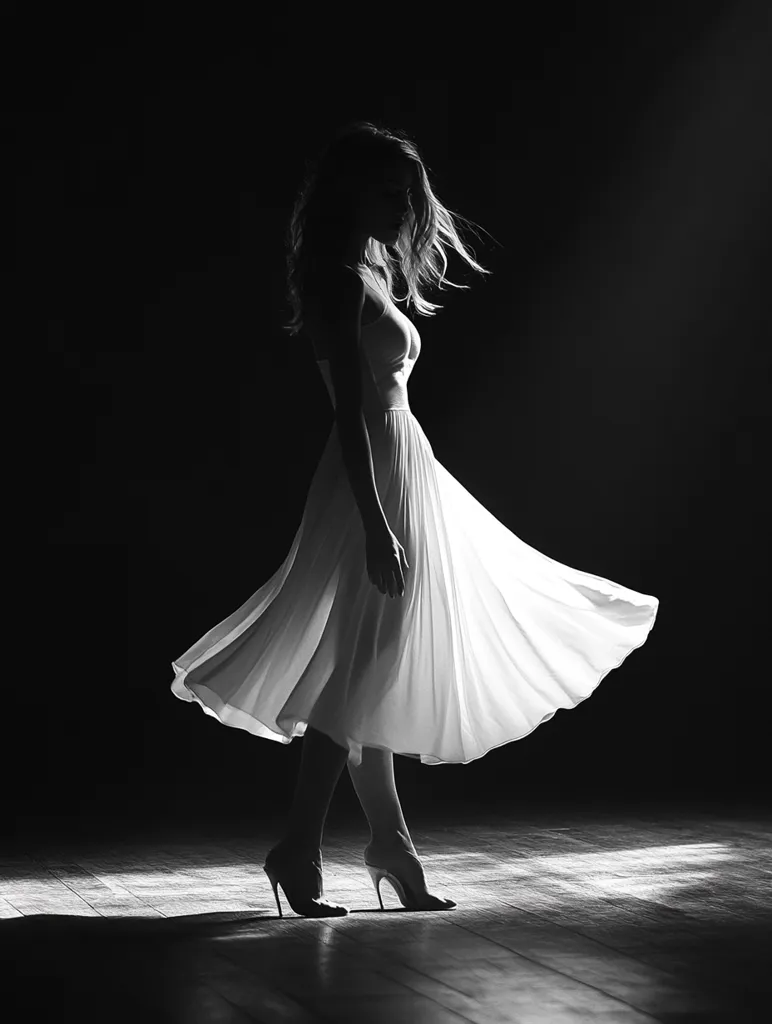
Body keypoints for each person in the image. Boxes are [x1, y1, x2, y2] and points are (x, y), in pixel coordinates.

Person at [171, 120, 659, 918]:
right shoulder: (336, 275)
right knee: (363, 668)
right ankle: (302, 845)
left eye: (407, 193)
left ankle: (388, 848)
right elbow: (349, 413)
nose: (404, 207)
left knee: (375, 666)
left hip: (403, 470)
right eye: (389, 192)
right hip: (374, 477)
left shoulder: (366, 266)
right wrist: (374, 522)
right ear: (351, 191)